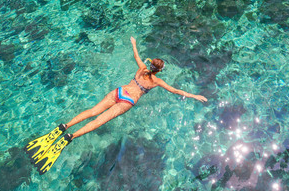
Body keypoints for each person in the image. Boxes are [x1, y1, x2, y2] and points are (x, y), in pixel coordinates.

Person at [24, 36, 208, 175]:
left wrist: (134, 43)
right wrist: (194, 95)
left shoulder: (141, 68)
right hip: (128, 101)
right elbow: (176, 91)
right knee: (98, 121)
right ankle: (70, 137)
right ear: (159, 70)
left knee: (92, 111)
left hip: (120, 91)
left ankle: (64, 127)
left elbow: (137, 55)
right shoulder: (156, 81)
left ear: (150, 64)